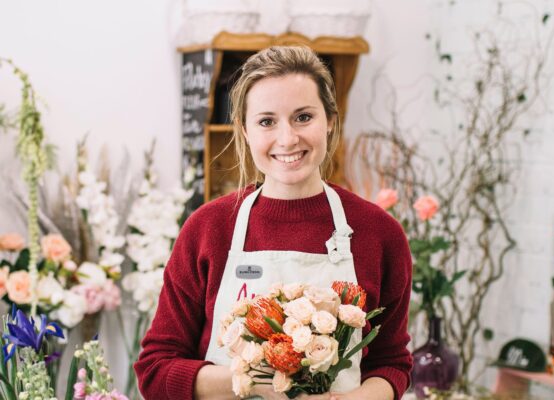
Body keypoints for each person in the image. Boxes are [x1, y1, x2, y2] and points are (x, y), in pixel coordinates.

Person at [134, 45, 412, 400]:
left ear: (330, 120)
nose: (287, 139)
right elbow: (155, 371)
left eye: (303, 117)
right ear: (245, 131)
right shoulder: (208, 229)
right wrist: (259, 378)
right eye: (267, 121)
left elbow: (391, 364)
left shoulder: (379, 233)